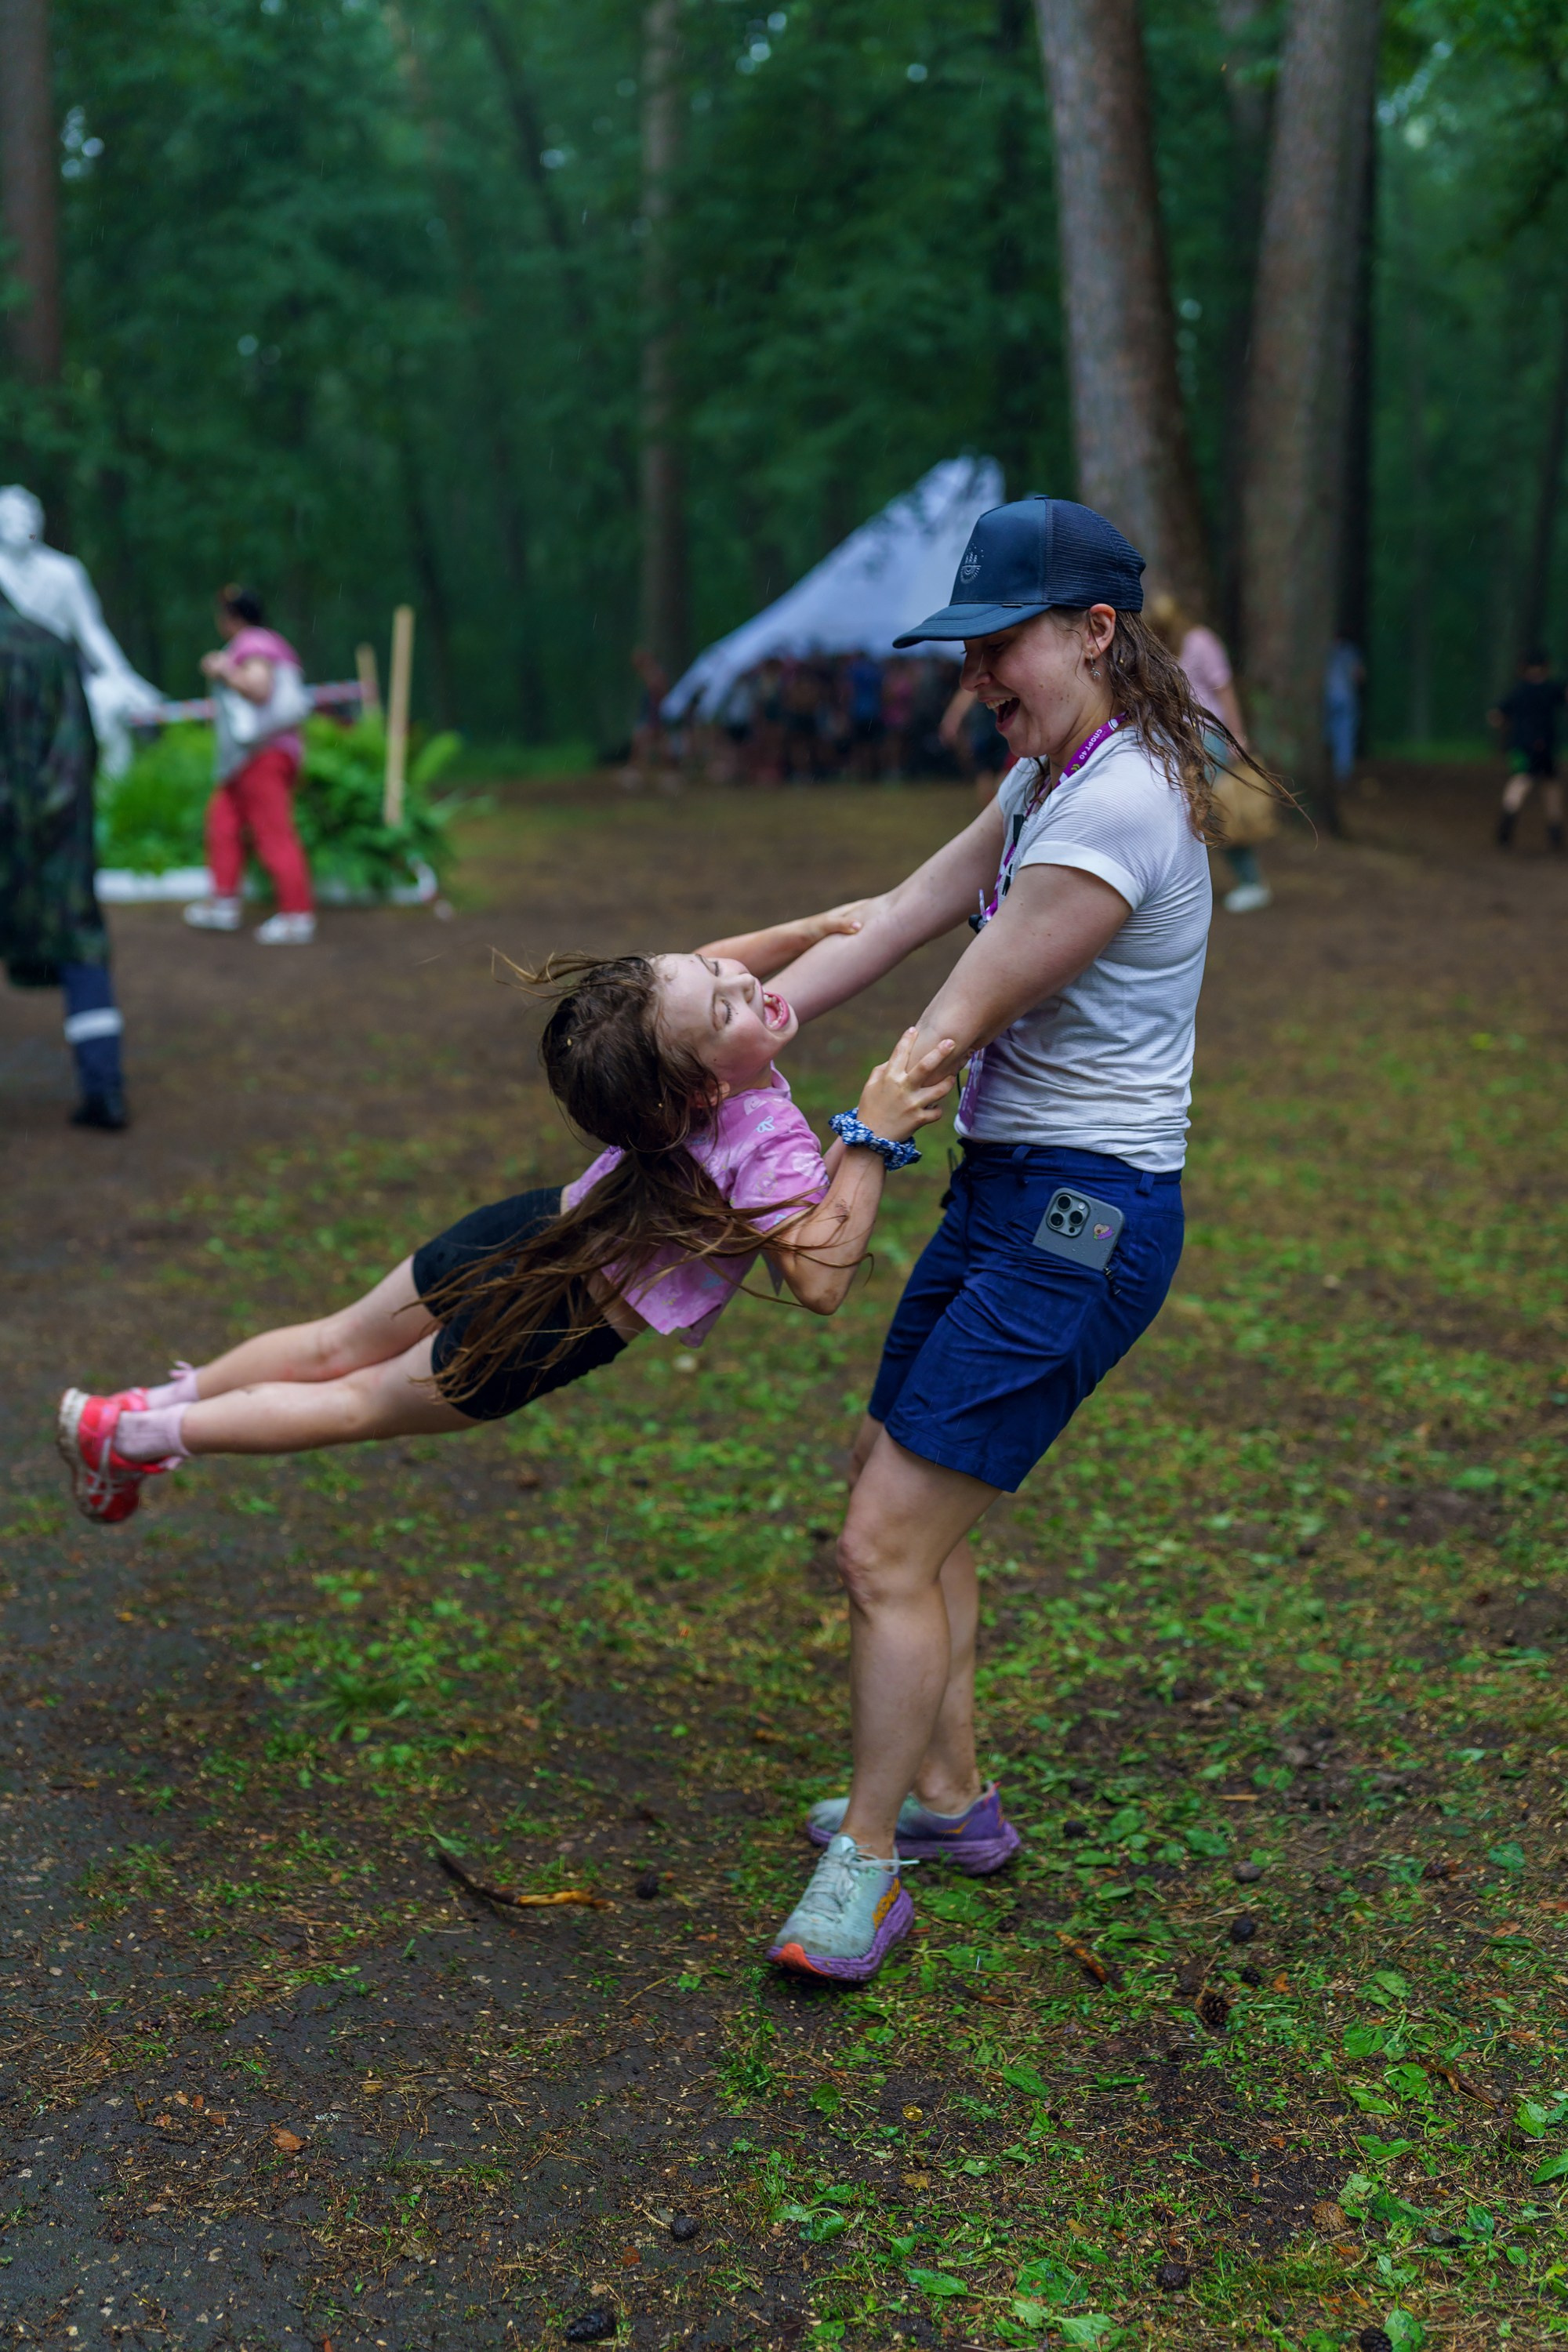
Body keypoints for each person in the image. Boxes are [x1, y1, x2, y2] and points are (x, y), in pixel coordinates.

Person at [751, 495, 1246, 1983]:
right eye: (967, 651)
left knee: (883, 1538)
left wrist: (843, 1169)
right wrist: (729, 1002)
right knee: (895, 1493)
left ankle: (872, 1867)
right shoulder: (1055, 771)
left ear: (1097, 633)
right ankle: (954, 1800)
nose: (977, 680)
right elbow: (904, 909)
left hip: (1080, 1220)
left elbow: (946, 1026)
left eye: (999, 647)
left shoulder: (1119, 811)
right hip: (1013, 1194)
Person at [58, 903, 953, 1523]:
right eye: (725, 991)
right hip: (550, 1321)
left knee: (334, 1343)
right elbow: (819, 1279)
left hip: (526, 1227)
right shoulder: (762, 1137)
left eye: (734, 974)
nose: (745, 978)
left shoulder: (660, 1073)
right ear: (701, 1084)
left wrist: (800, 933)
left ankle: (142, 1404)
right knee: (356, 1403)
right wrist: (870, 1137)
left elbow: (676, 989)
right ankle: (134, 1436)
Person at [0, 589, 129, 1129]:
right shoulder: (50, 646)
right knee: (80, 947)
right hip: (58, 834)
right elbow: (81, 744)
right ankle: (105, 1090)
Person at [183, 587, 316, 944]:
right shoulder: (268, 641)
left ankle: (296, 915)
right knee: (222, 821)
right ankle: (224, 902)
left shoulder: (253, 643)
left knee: (273, 832)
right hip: (245, 760)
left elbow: (258, 689)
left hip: (263, 755)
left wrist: (223, 668)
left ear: (229, 616)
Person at [1148, 590, 1270, 913]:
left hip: (1209, 737)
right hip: (1173, 738)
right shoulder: (1158, 647)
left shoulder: (1201, 641)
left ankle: (1251, 882)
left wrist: (1236, 737)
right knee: (1178, 809)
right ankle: (1174, 886)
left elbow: (1224, 689)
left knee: (1220, 809)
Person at [1490, 649, 1567, 851]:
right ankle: (1555, 832)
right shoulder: (1552, 689)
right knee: (1550, 786)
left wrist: (1507, 726)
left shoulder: (1518, 690)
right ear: (1546, 667)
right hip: (1545, 746)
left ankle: (1507, 824)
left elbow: (1496, 716)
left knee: (1520, 781)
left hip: (1520, 746)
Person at [1323, 637, 1364, 789]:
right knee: (1344, 737)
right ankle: (1341, 775)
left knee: (1328, 735)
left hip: (1326, 699)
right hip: (1346, 699)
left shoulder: (1320, 650)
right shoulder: (1350, 652)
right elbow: (1359, 675)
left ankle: (1330, 773)